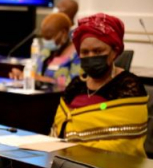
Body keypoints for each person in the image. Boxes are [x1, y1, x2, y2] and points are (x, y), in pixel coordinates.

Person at [52, 13, 148, 157]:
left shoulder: (129, 86)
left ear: (114, 51)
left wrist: (76, 153)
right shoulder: (76, 84)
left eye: (98, 51)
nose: (91, 56)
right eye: (85, 52)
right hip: (65, 163)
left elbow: (124, 145)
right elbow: (58, 130)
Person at [9, 13, 80, 87]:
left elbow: (74, 85)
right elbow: (34, 73)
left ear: (64, 33)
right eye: (44, 37)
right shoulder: (46, 51)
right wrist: (23, 75)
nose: (46, 41)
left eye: (49, 37)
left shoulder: (77, 53)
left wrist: (42, 79)